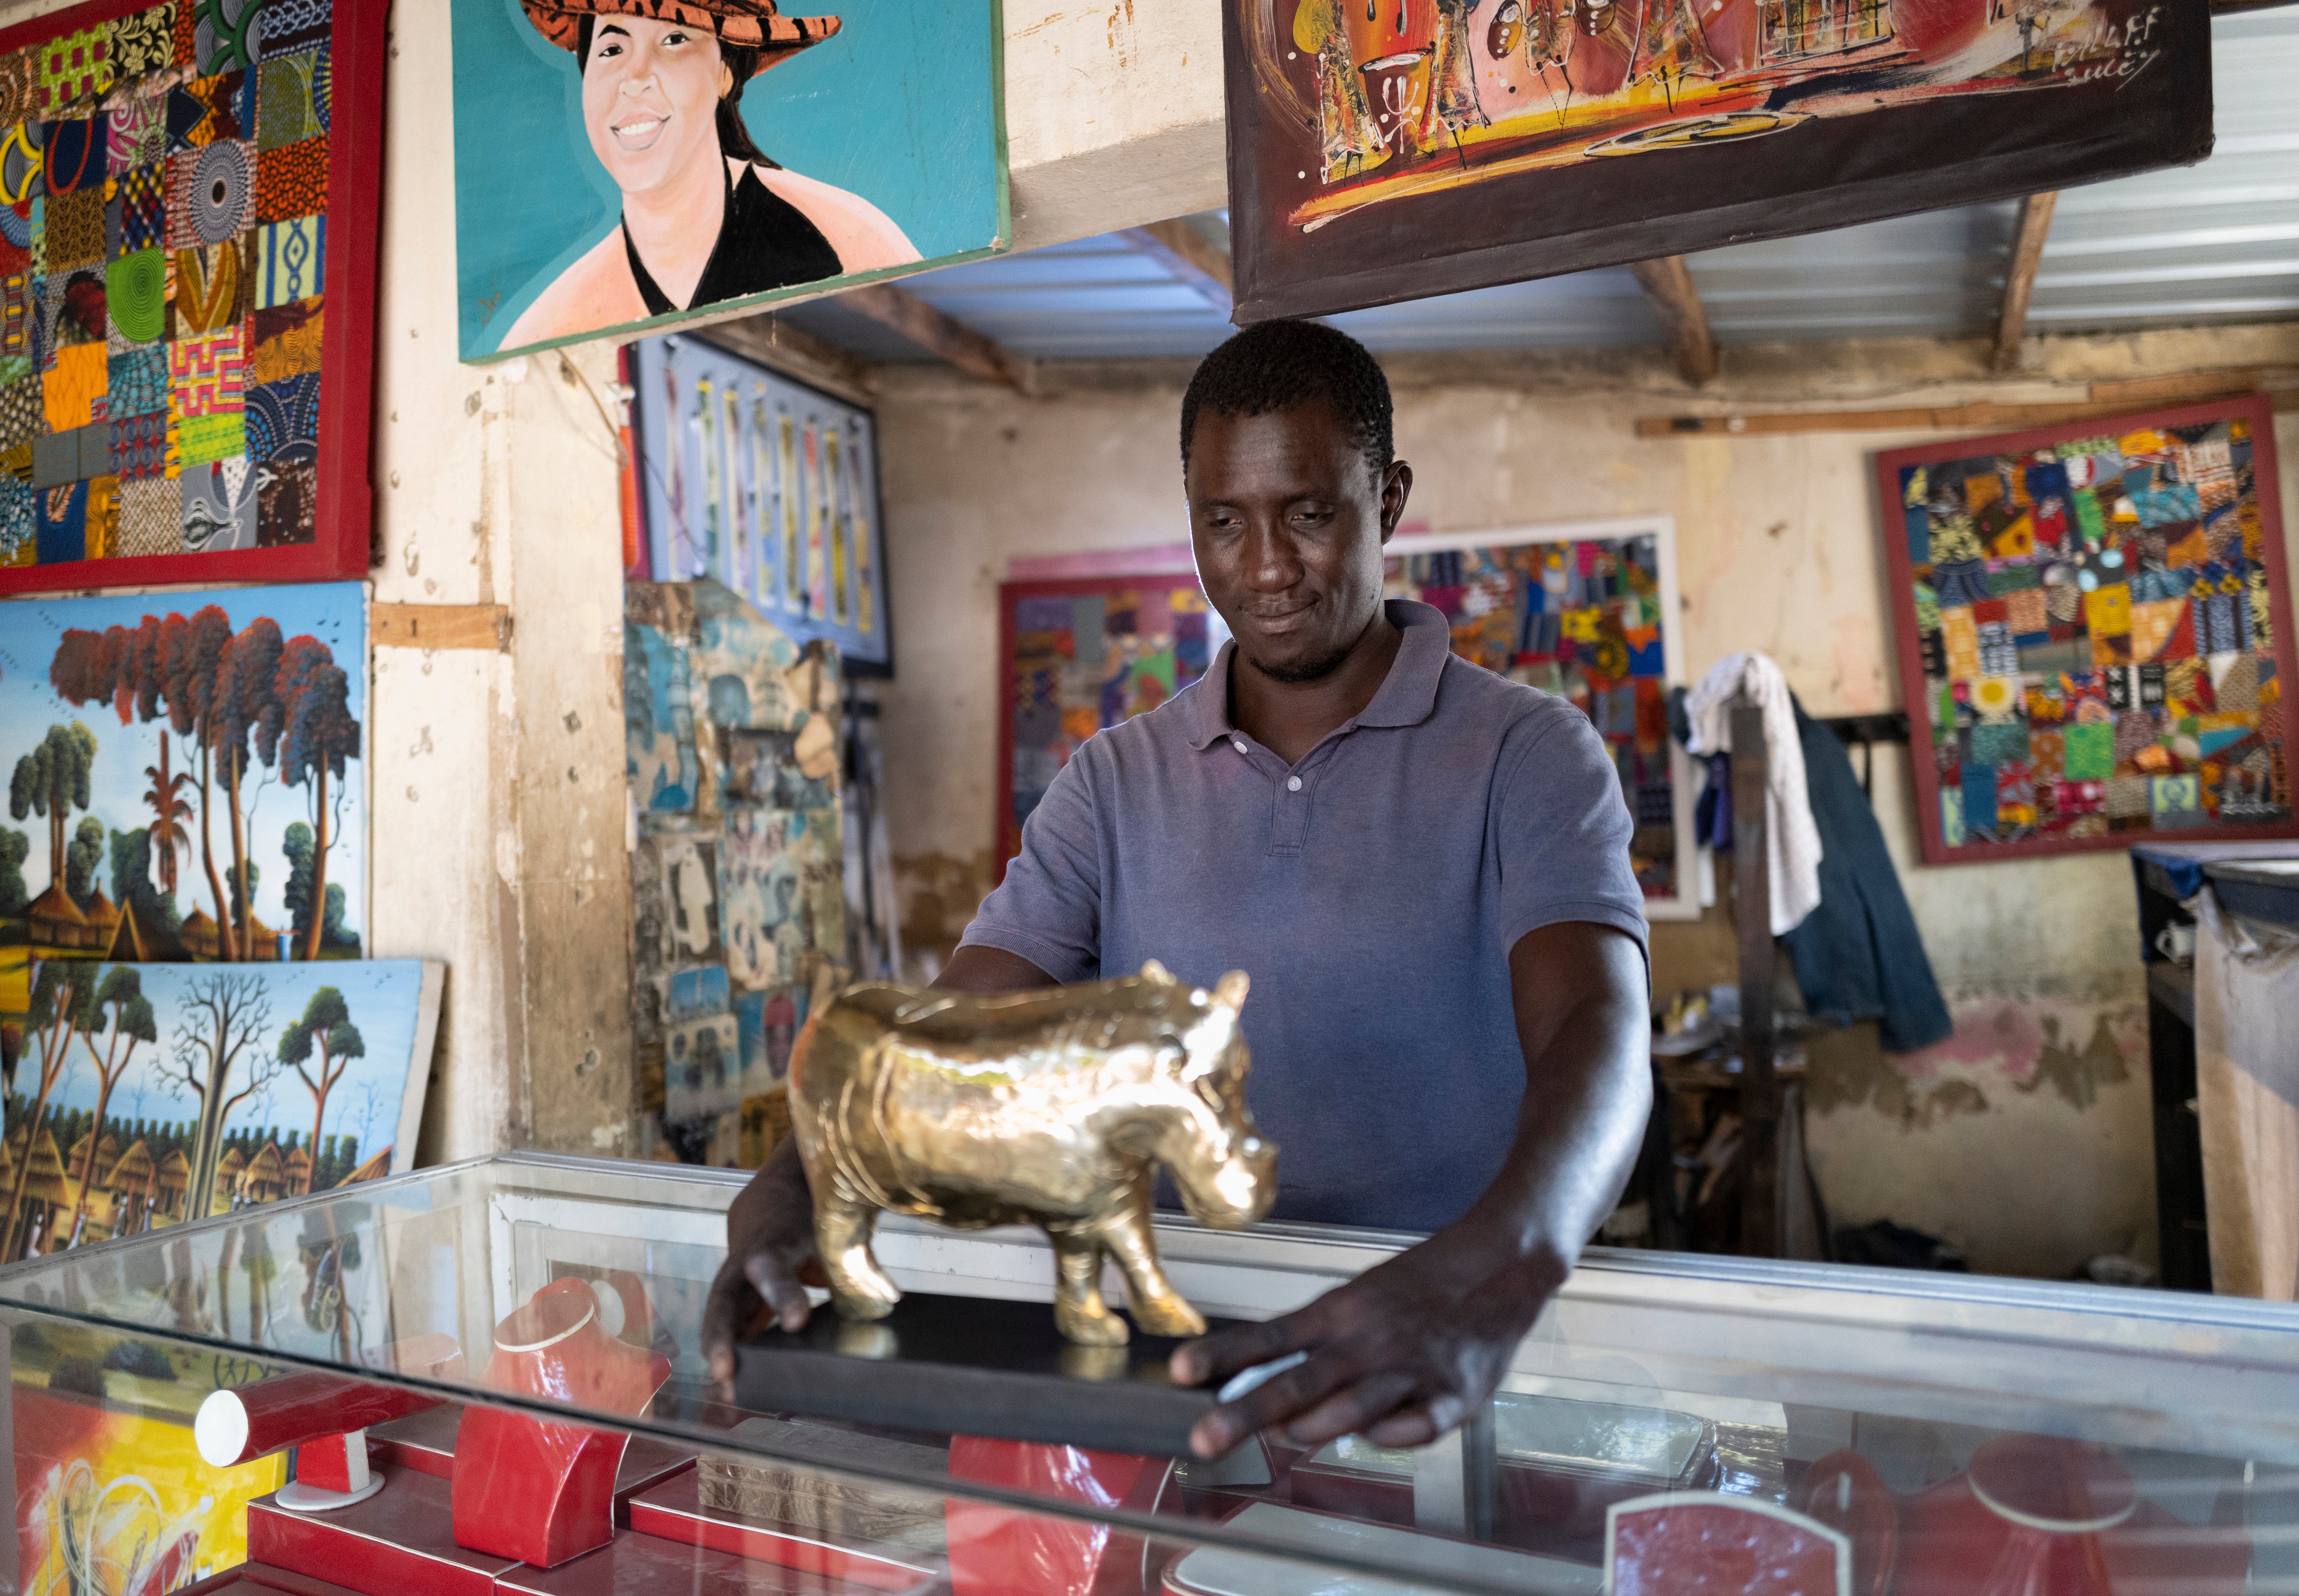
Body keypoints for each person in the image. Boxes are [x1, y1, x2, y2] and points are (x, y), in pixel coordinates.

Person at [702, 319, 1653, 1460]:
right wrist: (798, 1173)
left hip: (1444, 1351)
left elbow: (1598, 1035)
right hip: (1187, 1359)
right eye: (1223, 521)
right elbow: (953, 1024)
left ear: (1386, 500)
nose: (1263, 566)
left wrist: (1498, 1265)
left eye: (1308, 512)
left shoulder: (1527, 753)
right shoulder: (1113, 781)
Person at [504, 0, 918, 349]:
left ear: (725, 72)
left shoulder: (847, 241)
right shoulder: (554, 322)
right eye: (612, 50)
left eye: (674, 39)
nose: (635, 79)